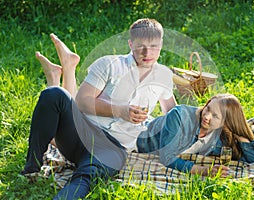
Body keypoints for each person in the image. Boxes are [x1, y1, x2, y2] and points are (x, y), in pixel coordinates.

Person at [21, 18, 177, 200]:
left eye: (153, 46)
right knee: (53, 94)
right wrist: (120, 110)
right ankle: (31, 170)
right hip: (82, 132)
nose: (147, 52)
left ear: (161, 45)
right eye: (140, 46)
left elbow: (172, 112)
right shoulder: (109, 65)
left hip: (114, 148)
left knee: (85, 177)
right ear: (130, 43)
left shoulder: (164, 76)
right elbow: (82, 101)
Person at [137, 94, 254, 177]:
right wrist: (203, 170)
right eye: (208, 108)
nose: (207, 116)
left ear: (225, 124)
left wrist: (240, 135)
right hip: (136, 135)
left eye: (215, 116)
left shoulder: (220, 137)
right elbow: (166, 157)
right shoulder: (179, 116)